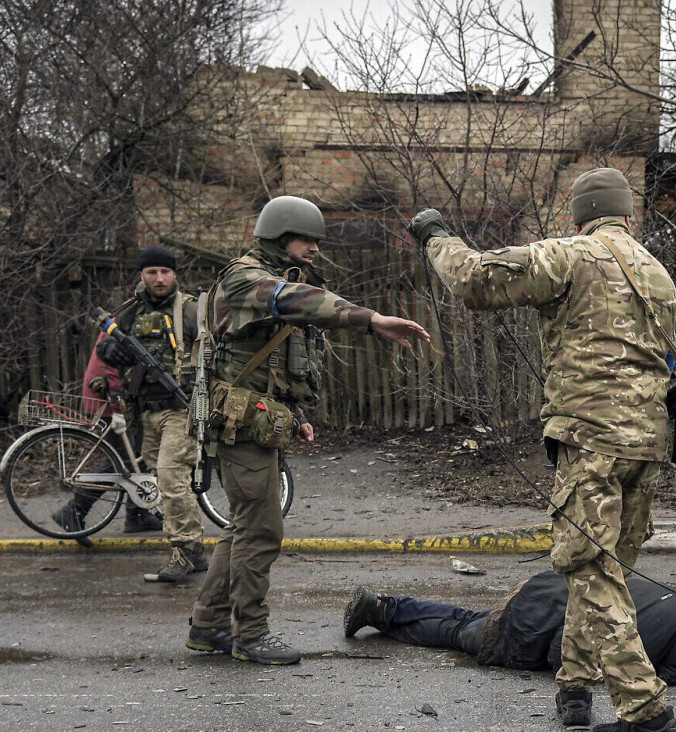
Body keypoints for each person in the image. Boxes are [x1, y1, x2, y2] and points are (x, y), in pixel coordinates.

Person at [408, 167, 676, 732]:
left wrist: (436, 238)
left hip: (592, 441)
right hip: (648, 442)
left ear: (579, 215)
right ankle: (575, 686)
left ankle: (645, 711)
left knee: (589, 569)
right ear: (629, 214)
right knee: (606, 571)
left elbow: (477, 281)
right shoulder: (656, 273)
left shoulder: (572, 255)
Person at [187, 196, 430, 666]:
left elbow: (271, 364)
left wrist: (295, 415)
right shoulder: (246, 279)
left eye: (317, 241)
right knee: (261, 530)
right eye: (306, 239)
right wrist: (371, 319)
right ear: (279, 237)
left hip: (260, 420)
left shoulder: (286, 281)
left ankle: (207, 625)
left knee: (243, 527)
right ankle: (250, 635)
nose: (315, 249)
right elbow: (291, 302)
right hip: (241, 424)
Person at [342, 571, 676, 689]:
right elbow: (563, 651)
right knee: (456, 633)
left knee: (470, 617)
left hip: (551, 587)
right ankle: (380, 612)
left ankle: (388, 606)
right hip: (531, 623)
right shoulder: (642, 648)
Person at [54, 247, 201, 549]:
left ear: (175, 274)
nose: (159, 278)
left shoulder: (188, 310)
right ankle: (74, 510)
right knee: (125, 457)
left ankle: (137, 514)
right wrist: (109, 359)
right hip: (114, 396)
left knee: (142, 460)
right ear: (142, 275)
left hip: (153, 401)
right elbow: (103, 354)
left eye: (165, 271)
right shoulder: (128, 312)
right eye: (152, 272)